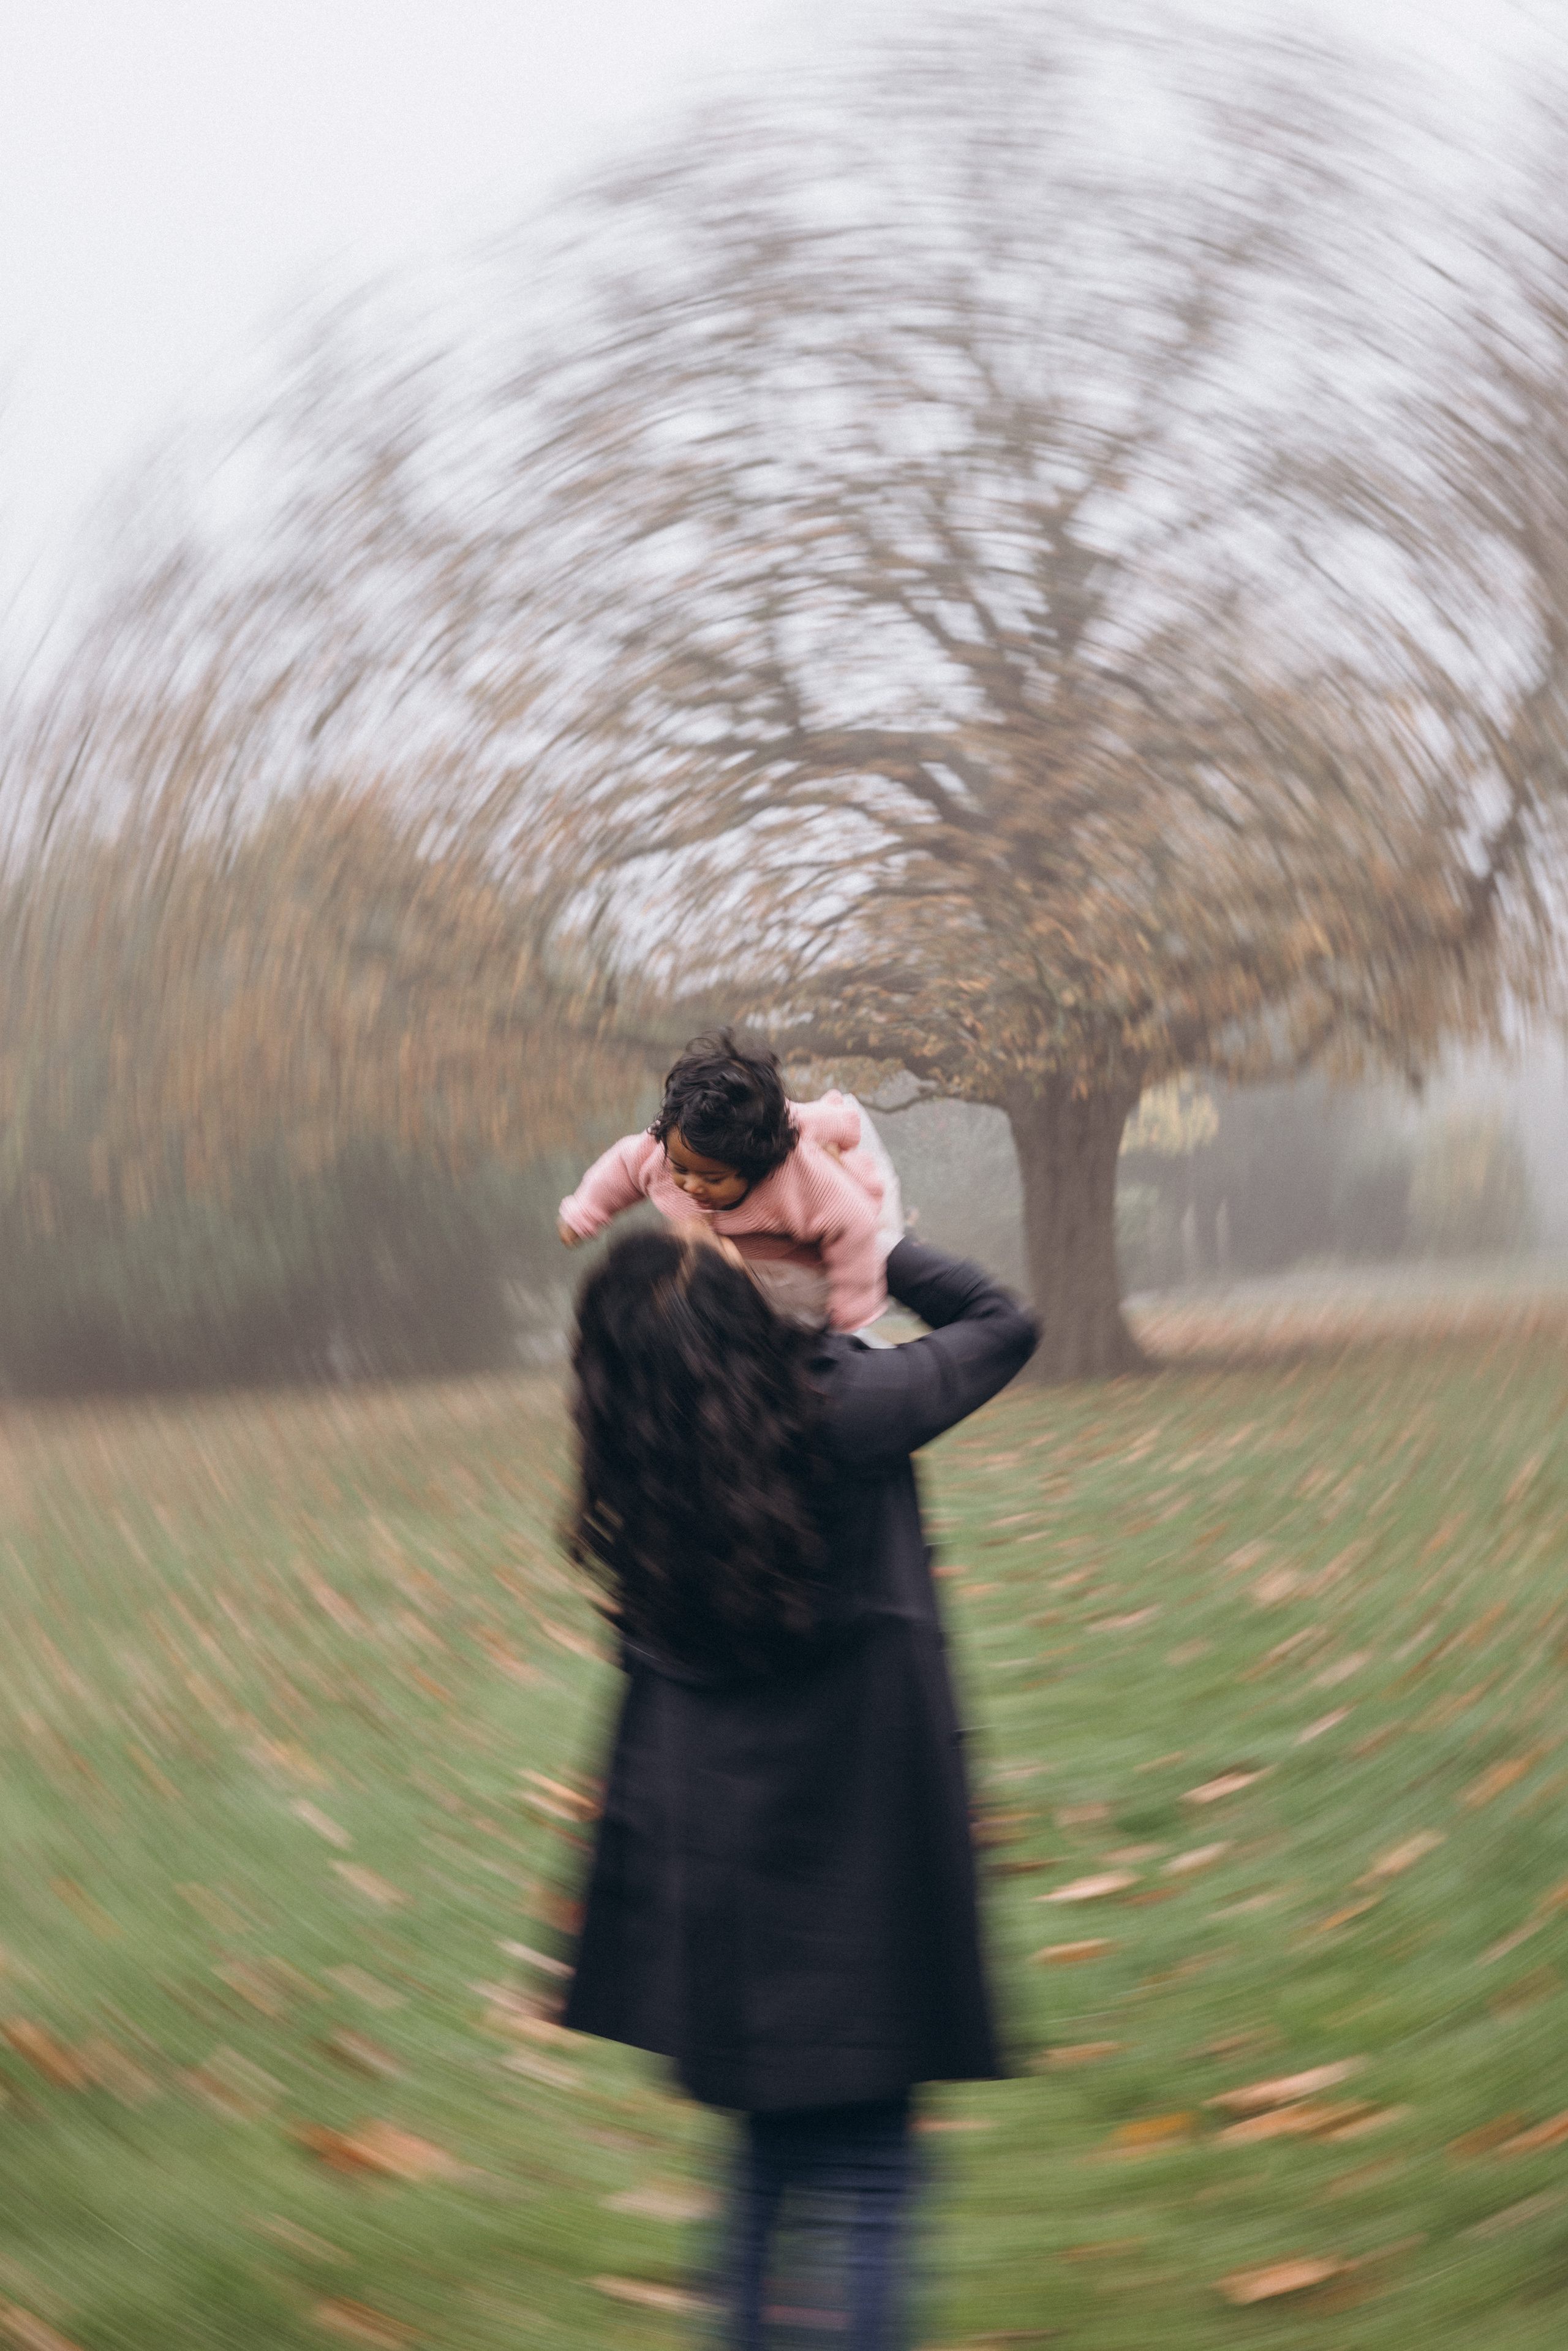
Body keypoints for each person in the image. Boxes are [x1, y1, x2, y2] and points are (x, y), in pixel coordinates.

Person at [560, 1221, 1039, 2349]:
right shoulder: (841, 1410)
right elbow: (1002, 1322)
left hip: (723, 1880)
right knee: (870, 2171)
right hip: (864, 1864)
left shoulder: (645, 1462)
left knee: (766, 2163)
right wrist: (870, 1232)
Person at [556, 1029, 900, 1333]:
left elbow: (854, 1228)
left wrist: (853, 1312)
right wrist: (584, 1212)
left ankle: (822, 1125)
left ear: (756, 1167)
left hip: (806, 1257)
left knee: (804, 1321)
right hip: (736, 1251)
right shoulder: (660, 1151)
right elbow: (620, 1170)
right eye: (682, 1170)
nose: (691, 1186)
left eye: (712, 1178)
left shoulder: (805, 1182)